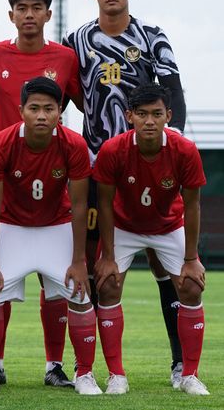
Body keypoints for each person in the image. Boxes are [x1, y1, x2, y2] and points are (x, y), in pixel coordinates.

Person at [63, 0, 188, 385]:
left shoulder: (153, 38)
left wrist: (169, 154)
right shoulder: (76, 40)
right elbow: (57, 96)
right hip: (99, 171)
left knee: (165, 265)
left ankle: (178, 364)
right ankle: (95, 370)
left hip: (151, 171)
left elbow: (174, 96)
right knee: (101, 268)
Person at [0, 0, 82, 386]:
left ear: (48, 15)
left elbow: (83, 101)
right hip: (3, 168)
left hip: (49, 170)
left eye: (37, 7)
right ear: (11, 13)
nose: (29, 14)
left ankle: (55, 364)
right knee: (2, 278)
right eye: (21, 7)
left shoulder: (65, 58)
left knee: (57, 286)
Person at [0, 77, 100, 396]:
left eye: (49, 108)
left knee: (80, 295)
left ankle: (85, 373)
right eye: (34, 108)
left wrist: (79, 259)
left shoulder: (73, 144)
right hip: (11, 225)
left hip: (55, 226)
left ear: (60, 111)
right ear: (21, 111)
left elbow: (80, 204)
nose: (42, 115)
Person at [92, 83, 207, 395]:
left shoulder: (185, 150)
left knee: (191, 286)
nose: (150, 121)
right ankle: (116, 374)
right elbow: (103, 204)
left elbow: (193, 204)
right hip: (124, 225)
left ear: (168, 115)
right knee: (108, 283)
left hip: (169, 225)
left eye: (157, 114)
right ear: (130, 116)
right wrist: (108, 256)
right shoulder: (113, 150)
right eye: (142, 114)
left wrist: (191, 258)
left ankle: (190, 375)